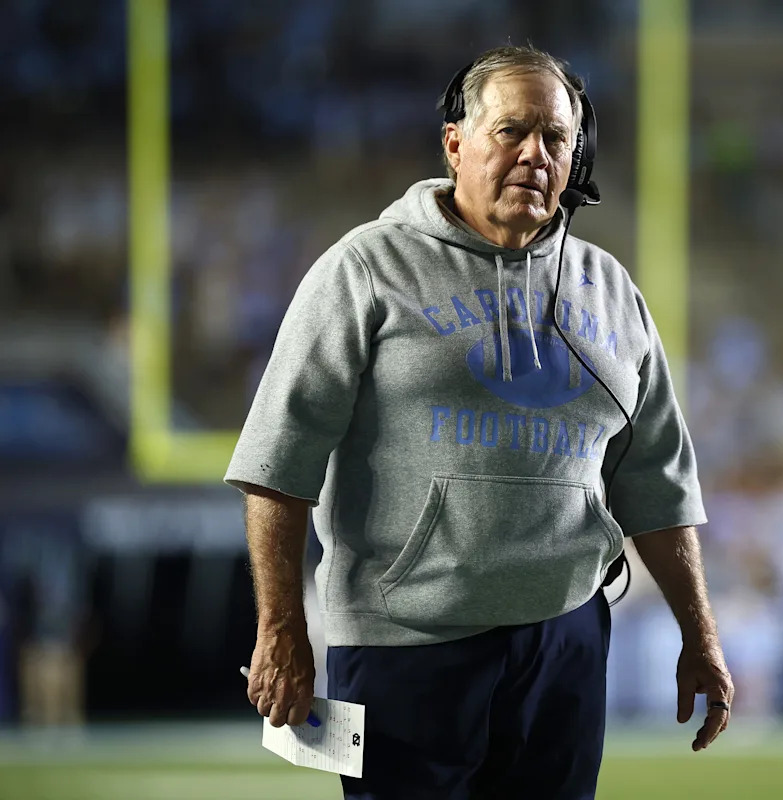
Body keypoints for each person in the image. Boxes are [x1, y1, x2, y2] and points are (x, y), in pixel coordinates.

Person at [226, 44, 733, 799]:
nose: (535, 155)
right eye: (512, 131)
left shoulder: (609, 288)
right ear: (455, 142)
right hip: (406, 642)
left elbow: (656, 480)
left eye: (556, 137)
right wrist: (281, 628)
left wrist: (701, 635)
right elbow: (277, 462)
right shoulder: (365, 269)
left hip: (566, 638)